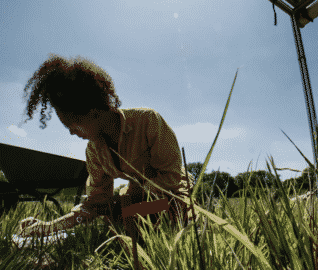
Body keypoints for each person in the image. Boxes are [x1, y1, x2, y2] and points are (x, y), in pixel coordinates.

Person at [17, 53, 199, 246]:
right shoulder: (94, 151)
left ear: (94, 113)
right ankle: (135, 233)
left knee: (136, 215)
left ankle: (184, 224)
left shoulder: (148, 122)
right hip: (137, 203)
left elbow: (171, 178)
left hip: (171, 198)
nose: (71, 132)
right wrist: (49, 227)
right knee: (116, 218)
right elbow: (94, 204)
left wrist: (132, 195)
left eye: (74, 124)